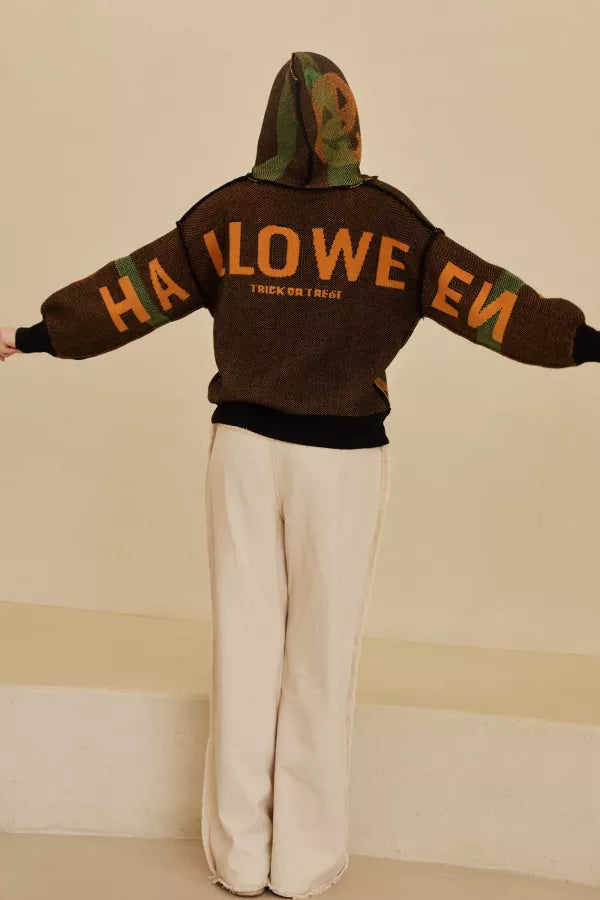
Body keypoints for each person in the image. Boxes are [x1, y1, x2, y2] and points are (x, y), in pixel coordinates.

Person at [2, 50, 599, 900]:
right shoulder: (394, 225)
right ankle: (307, 862)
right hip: (343, 461)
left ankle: (238, 858)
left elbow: (132, 291)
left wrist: (35, 336)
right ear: (349, 122)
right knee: (323, 655)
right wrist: (586, 343)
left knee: (244, 647)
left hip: (243, 452)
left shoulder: (228, 215)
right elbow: (491, 303)